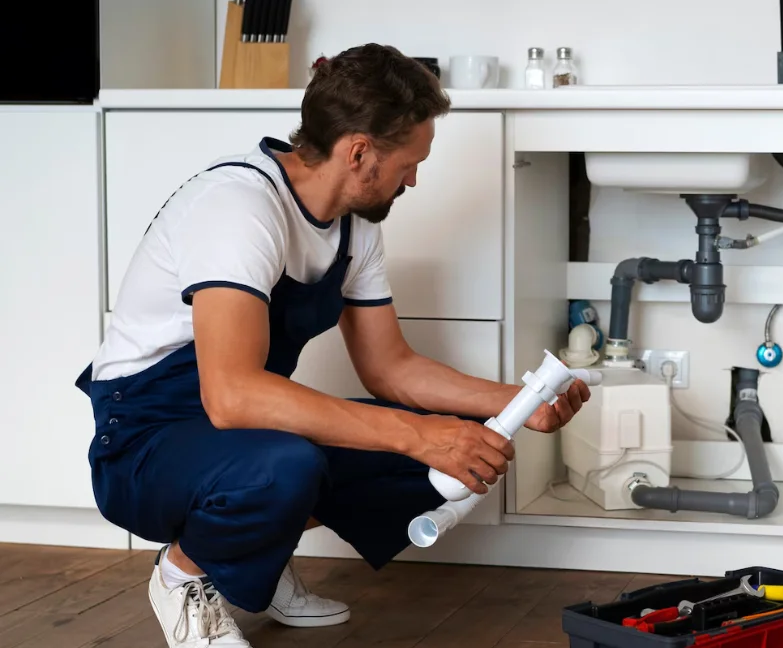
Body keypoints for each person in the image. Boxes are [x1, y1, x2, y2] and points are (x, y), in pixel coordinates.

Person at [74, 43, 590, 647]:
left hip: (242, 429)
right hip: (144, 439)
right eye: (409, 163)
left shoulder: (355, 227)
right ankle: (183, 575)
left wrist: (518, 402)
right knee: (290, 466)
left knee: (430, 438)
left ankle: (259, 558)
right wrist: (418, 434)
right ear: (359, 151)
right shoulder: (239, 208)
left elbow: (391, 368)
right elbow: (233, 396)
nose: (414, 179)